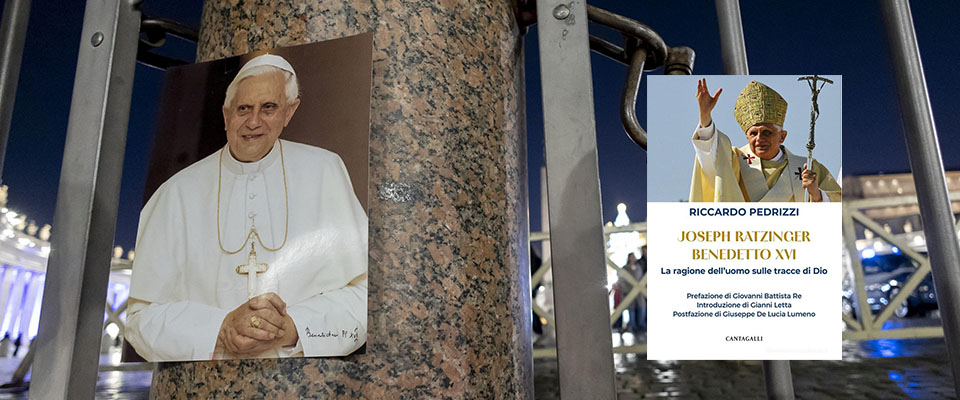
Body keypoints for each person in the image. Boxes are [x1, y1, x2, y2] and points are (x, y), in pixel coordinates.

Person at [125, 54, 368, 361]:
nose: (254, 122)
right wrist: (220, 327)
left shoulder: (325, 171)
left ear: (289, 112)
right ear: (226, 115)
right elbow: (140, 319)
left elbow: (366, 297)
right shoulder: (177, 193)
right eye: (243, 109)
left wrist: (294, 326)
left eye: (269, 108)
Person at [690, 78, 841, 202]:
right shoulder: (733, 160)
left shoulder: (808, 167)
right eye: (753, 133)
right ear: (747, 136)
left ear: (782, 136)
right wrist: (705, 118)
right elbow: (709, 155)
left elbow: (841, 209)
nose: (759, 139)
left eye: (767, 132)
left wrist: (817, 194)